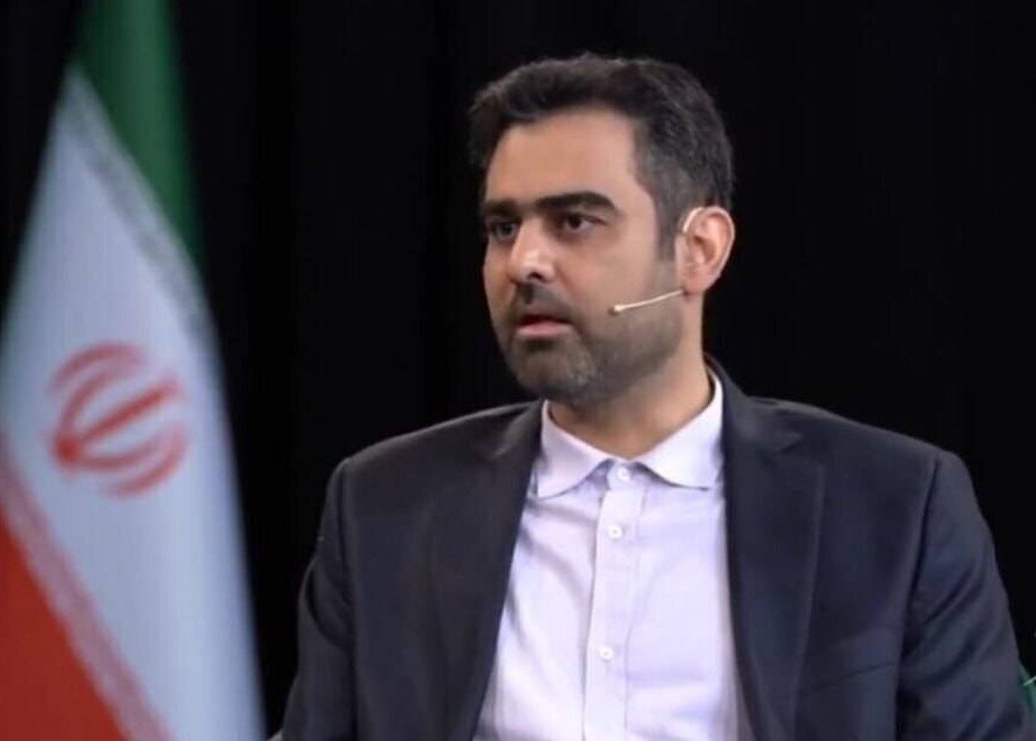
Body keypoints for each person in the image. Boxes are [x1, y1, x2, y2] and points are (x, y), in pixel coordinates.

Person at [281, 53, 1033, 740]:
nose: (524, 261)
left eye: (574, 221)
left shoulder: (896, 506)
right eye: (503, 226)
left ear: (700, 249)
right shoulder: (383, 505)